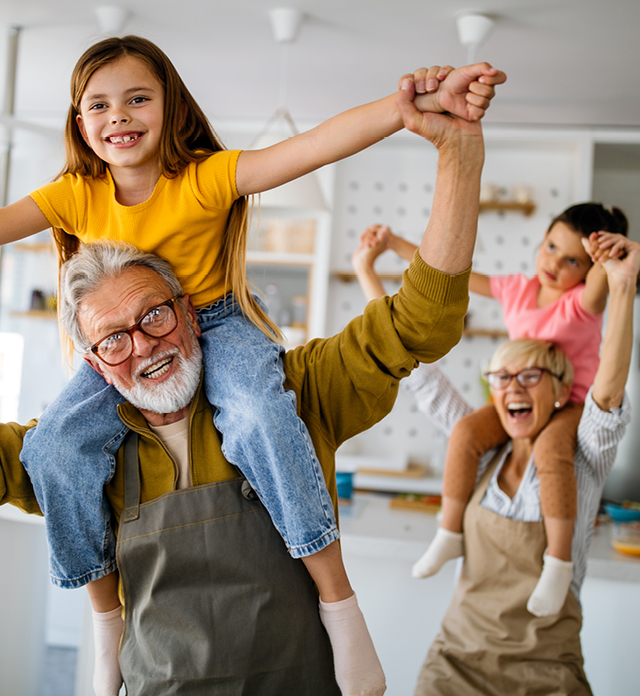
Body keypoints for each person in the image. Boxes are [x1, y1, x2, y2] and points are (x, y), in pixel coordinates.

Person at [0, 34, 504, 692]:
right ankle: (104, 624)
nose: (118, 115)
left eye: (137, 99)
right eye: (99, 105)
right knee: (55, 450)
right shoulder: (74, 194)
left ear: (173, 109)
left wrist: (408, 108)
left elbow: (309, 149)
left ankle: (340, 606)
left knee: (263, 416)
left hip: (223, 325)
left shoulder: (205, 180)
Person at [352, 215, 638, 695]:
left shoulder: (582, 455)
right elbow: (417, 374)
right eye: (502, 378)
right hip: (454, 665)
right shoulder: (482, 452)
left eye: (530, 376)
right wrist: (367, 271)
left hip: (547, 676)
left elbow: (607, 396)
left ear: (562, 389)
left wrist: (624, 288)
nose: (512, 389)